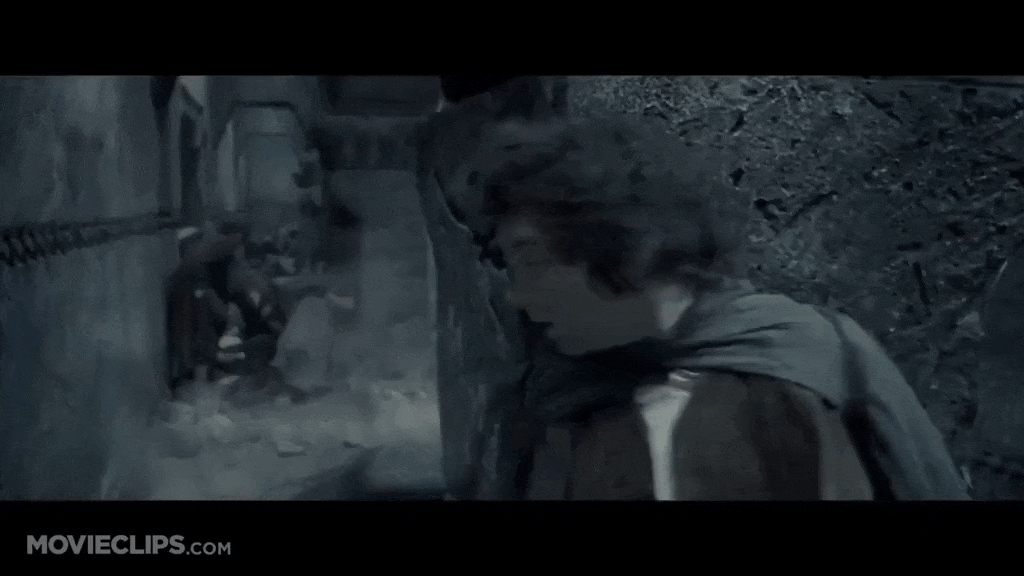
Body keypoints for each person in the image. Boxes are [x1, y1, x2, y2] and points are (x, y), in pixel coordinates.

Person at [443, 111, 971, 500]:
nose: (518, 295)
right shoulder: (556, 398)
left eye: (533, 261)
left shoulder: (815, 363)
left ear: (615, 241)